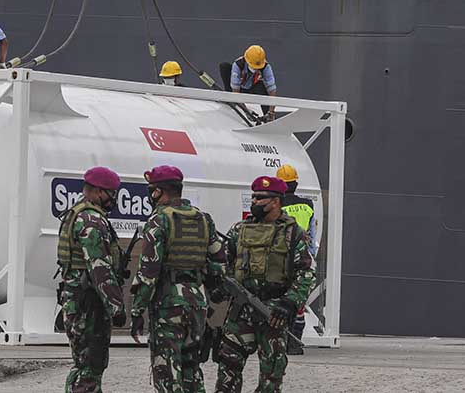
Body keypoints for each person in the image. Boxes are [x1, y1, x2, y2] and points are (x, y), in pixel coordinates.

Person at [214, 176, 316, 393]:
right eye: (254, 197)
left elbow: (306, 272)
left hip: (274, 313)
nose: (254, 202)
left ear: (276, 201)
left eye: (260, 198)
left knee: (272, 373)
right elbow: (224, 262)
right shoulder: (240, 229)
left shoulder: (293, 233)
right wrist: (223, 286)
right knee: (228, 365)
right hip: (241, 311)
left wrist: (290, 302)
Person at [130, 165, 222, 392]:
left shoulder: (159, 220)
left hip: (168, 305)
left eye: (152, 190)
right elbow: (219, 262)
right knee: (192, 369)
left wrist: (137, 311)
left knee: (167, 372)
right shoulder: (203, 219)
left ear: (158, 192)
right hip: (197, 303)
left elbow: (148, 272)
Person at [57, 166, 128, 392]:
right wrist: (116, 306)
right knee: (90, 366)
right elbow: (100, 269)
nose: (113, 199)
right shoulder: (91, 220)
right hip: (89, 305)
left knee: (82, 365)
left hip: (79, 300)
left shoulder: (77, 213)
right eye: (111, 193)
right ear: (98, 191)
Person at [275, 164, 317, 355]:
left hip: (282, 258)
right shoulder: (308, 205)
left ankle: (281, 340)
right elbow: (312, 234)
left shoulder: (277, 206)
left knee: (281, 299)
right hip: (304, 257)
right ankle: (295, 343)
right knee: (299, 302)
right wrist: (310, 256)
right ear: (296, 183)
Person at [219, 45, 278, 120]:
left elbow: (272, 90)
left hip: (252, 88)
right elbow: (235, 91)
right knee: (224, 66)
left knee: (261, 86)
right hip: (238, 90)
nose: (256, 69)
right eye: (254, 66)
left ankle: (268, 117)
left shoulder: (266, 67)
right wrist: (246, 111)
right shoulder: (238, 65)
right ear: (247, 61)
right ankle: (230, 98)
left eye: (258, 67)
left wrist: (271, 112)